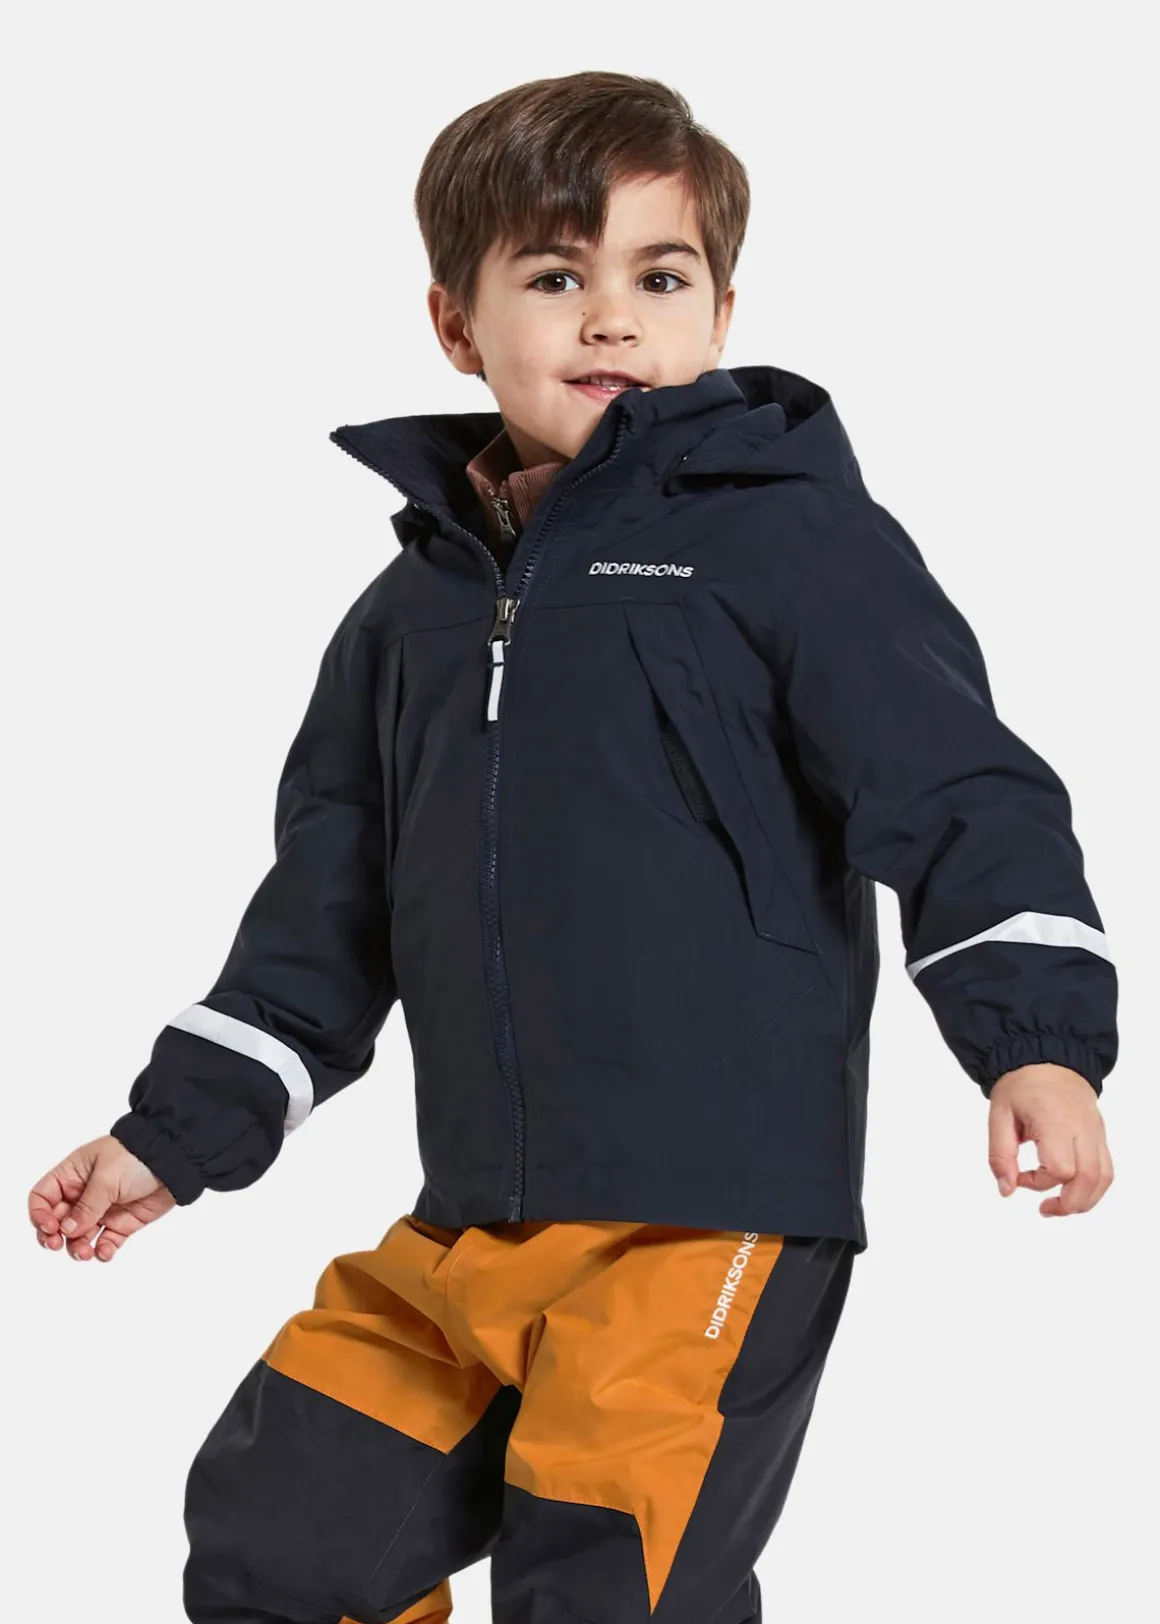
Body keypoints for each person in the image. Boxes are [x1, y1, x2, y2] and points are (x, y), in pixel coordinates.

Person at [28, 70, 1118, 1624]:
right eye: (554, 276)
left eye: (659, 279)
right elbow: (325, 912)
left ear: (720, 313)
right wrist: (174, 1136)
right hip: (475, 1219)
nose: (611, 317)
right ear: (455, 324)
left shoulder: (792, 545)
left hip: (705, 1211)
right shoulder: (408, 615)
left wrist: (1038, 1044)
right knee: (284, 1542)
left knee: (608, 1583)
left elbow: (961, 790)